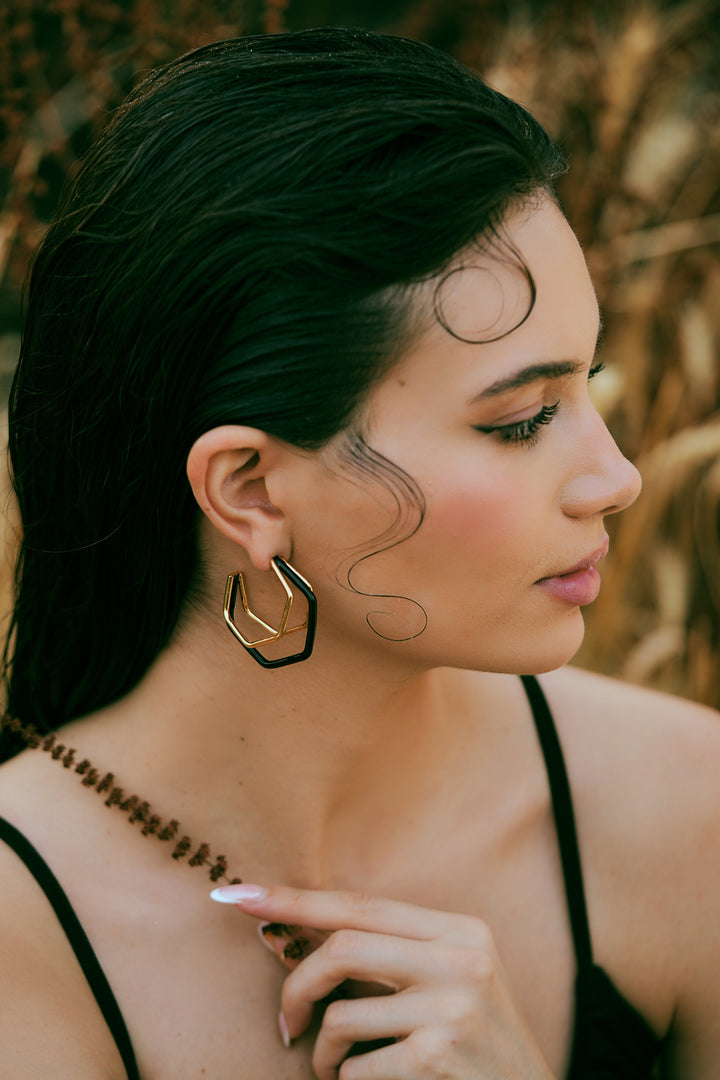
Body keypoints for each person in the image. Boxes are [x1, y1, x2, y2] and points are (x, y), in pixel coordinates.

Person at [0, 26, 718, 1080]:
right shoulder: (26, 940)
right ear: (249, 489)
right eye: (521, 420)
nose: (617, 478)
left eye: (587, 388)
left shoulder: (686, 811)